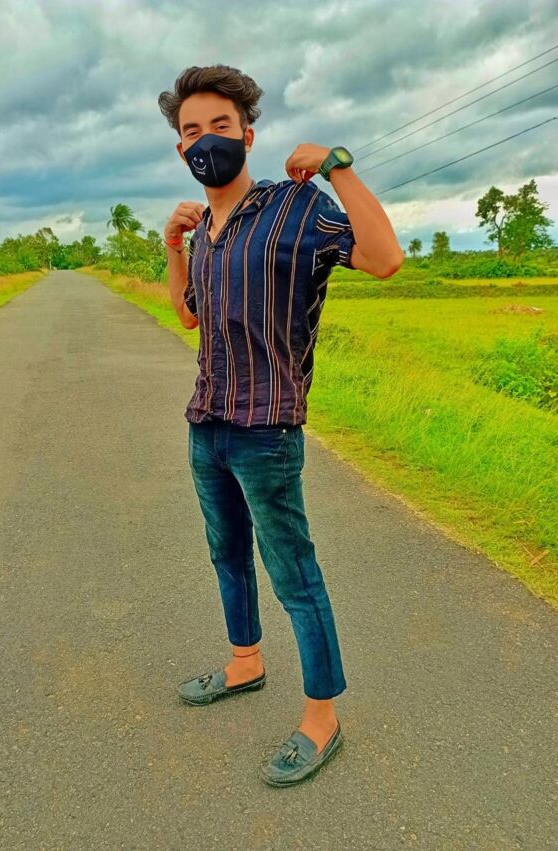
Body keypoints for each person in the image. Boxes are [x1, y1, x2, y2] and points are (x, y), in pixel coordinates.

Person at [158, 64, 403, 786]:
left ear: (247, 135)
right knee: (227, 554)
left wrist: (337, 166)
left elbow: (385, 259)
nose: (206, 139)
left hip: (267, 430)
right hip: (207, 422)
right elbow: (189, 316)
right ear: (181, 148)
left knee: (294, 572)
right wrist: (173, 248)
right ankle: (245, 662)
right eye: (192, 130)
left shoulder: (294, 207)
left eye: (221, 125)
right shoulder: (204, 230)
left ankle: (322, 717)